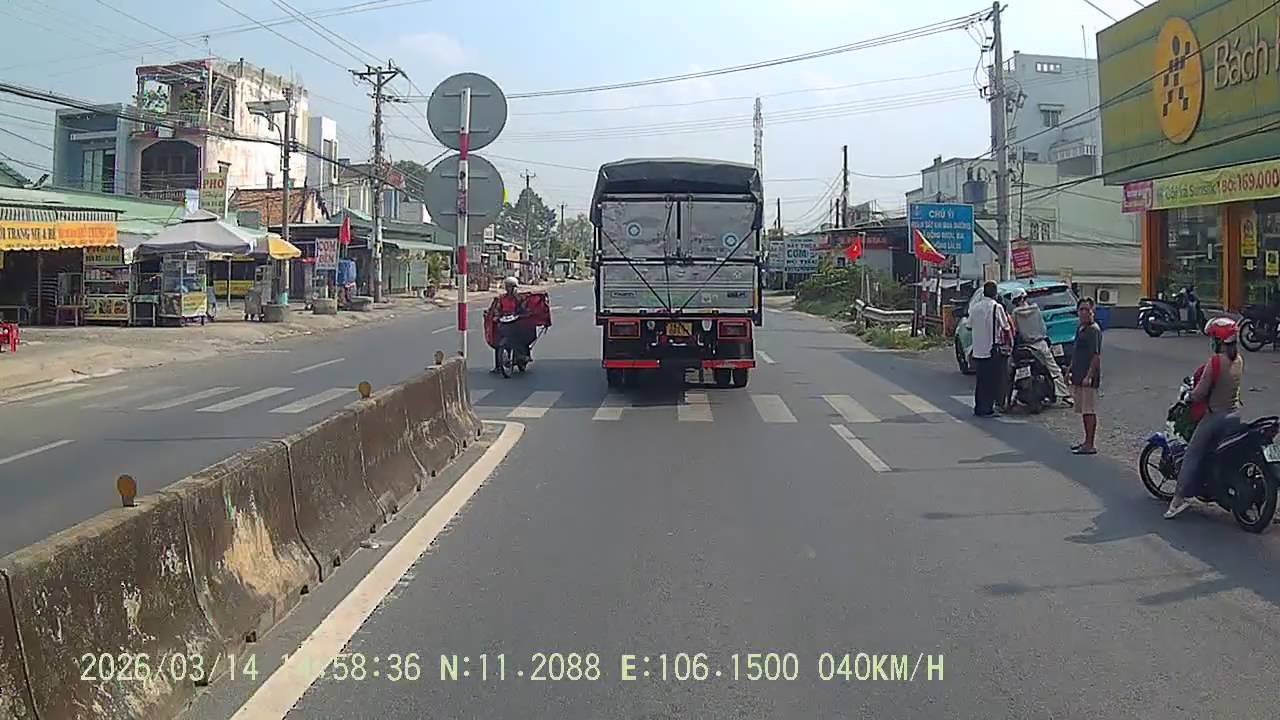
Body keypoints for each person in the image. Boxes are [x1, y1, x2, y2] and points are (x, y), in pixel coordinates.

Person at [1165, 317, 1245, 519]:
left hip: (1215, 417)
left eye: (1212, 338)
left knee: (1192, 453)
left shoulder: (1216, 361)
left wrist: (1188, 396)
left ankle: (1178, 500)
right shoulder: (1238, 359)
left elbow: (1200, 392)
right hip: (1235, 415)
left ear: (1218, 340)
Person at [1008, 287, 1072, 406]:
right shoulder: (1036, 309)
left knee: (1014, 371)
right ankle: (1064, 394)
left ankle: (1011, 399)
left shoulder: (1015, 313)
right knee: (1053, 369)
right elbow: (1043, 328)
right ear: (1025, 297)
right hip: (1041, 344)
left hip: (1026, 346)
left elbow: (1015, 330)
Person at [968, 281, 1013, 417]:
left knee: (981, 380)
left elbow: (969, 326)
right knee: (992, 381)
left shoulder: (975, 308)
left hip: (978, 350)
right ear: (995, 294)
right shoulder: (996, 307)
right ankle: (988, 408)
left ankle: (979, 407)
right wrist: (1010, 343)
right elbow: (1006, 327)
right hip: (992, 350)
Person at [1069, 298, 1102, 455]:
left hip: (1088, 378)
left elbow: (1096, 356)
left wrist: (1089, 376)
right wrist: (1069, 370)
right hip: (1078, 374)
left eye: (1086, 309)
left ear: (1092, 311)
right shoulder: (1081, 328)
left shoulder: (1093, 330)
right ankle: (1086, 441)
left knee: (1089, 410)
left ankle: (1090, 444)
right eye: (1081, 309)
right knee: (1083, 410)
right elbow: (1076, 351)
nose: (1083, 312)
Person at [492, 276, 531, 372]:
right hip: (504, 321)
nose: (508, 288)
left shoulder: (520, 298)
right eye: (507, 286)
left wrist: (523, 313)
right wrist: (497, 316)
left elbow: (524, 309)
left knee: (519, 339)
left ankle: (522, 356)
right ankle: (498, 366)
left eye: (510, 286)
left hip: (516, 322)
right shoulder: (502, 298)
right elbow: (497, 309)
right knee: (498, 342)